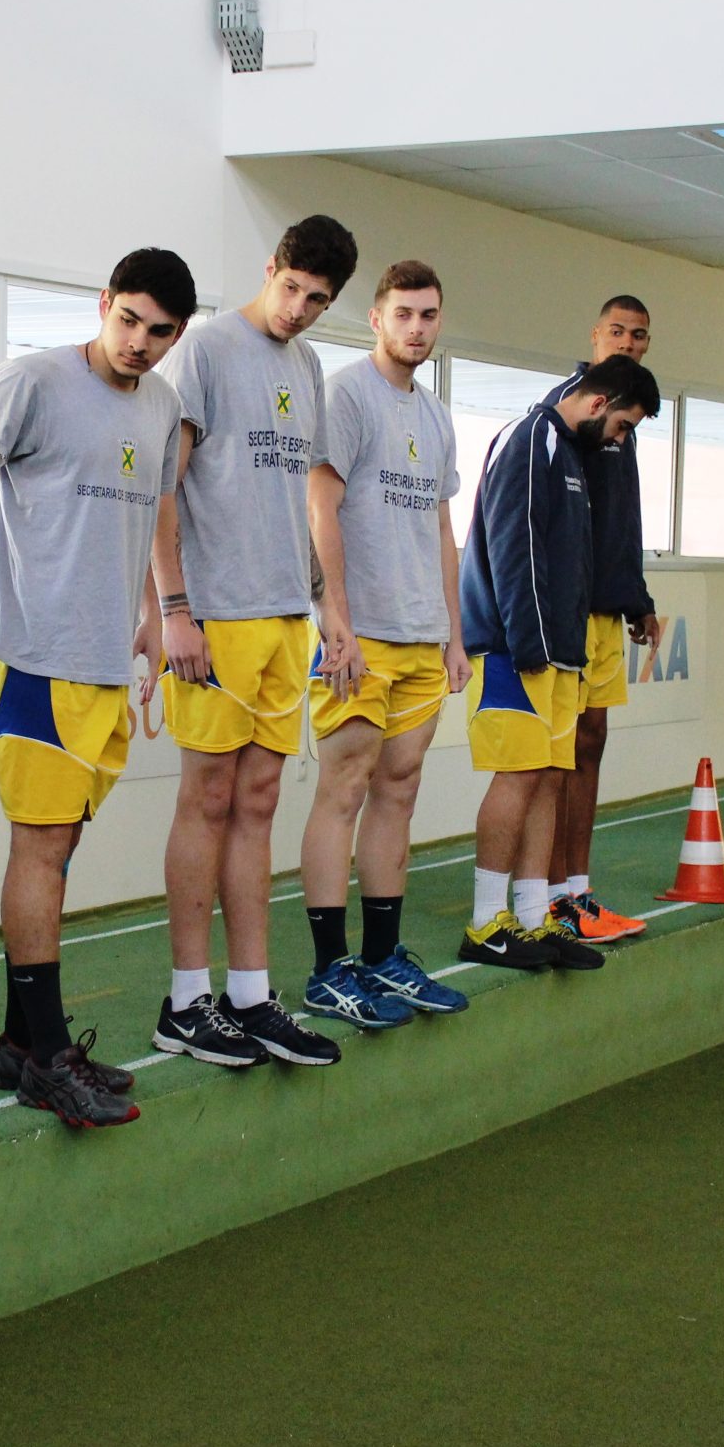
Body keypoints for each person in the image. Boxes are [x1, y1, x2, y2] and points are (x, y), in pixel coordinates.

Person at [0, 249, 199, 1126]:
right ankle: (47, 1055)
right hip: (33, 661)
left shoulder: (163, 405)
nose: (139, 342)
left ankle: (19, 1045)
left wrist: (162, 609)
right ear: (103, 304)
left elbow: (152, 511)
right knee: (40, 850)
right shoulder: (33, 384)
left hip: (102, 667)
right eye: (128, 320)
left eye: (160, 331)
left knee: (58, 852)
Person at [150, 214, 359, 1069]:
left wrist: (328, 606)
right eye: (292, 288)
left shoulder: (307, 365)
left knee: (261, 803)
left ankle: (248, 995)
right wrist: (173, 608)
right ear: (269, 268)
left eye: (318, 299)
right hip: (215, 618)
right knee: (207, 799)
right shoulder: (203, 350)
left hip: (283, 617)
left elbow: (304, 502)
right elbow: (165, 489)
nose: (300, 308)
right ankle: (187, 1000)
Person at [294, 259, 470, 1026]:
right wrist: (335, 615)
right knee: (344, 790)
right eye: (404, 314)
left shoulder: (434, 415)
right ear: (375, 317)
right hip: (358, 637)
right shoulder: (346, 395)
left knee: (399, 791)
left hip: (423, 637)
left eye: (428, 315)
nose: (417, 328)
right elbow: (319, 505)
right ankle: (328, 967)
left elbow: (440, 527)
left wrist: (456, 635)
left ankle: (382, 956)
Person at [454, 355, 659, 972]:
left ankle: (536, 916)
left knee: (548, 777)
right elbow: (510, 542)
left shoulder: (572, 452)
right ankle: (487, 922)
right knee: (517, 776)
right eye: (624, 426)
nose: (620, 440)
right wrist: (532, 644)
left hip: (560, 650)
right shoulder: (530, 439)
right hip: (516, 649)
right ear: (599, 404)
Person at [543, 297, 658, 946]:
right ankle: (552, 894)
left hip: (607, 613)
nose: (627, 341)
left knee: (592, 741)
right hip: (566, 613)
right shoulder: (569, 412)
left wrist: (636, 598)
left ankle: (577, 890)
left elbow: (619, 524)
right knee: (558, 751)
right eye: (616, 330)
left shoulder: (627, 424)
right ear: (594, 335)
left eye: (638, 335)